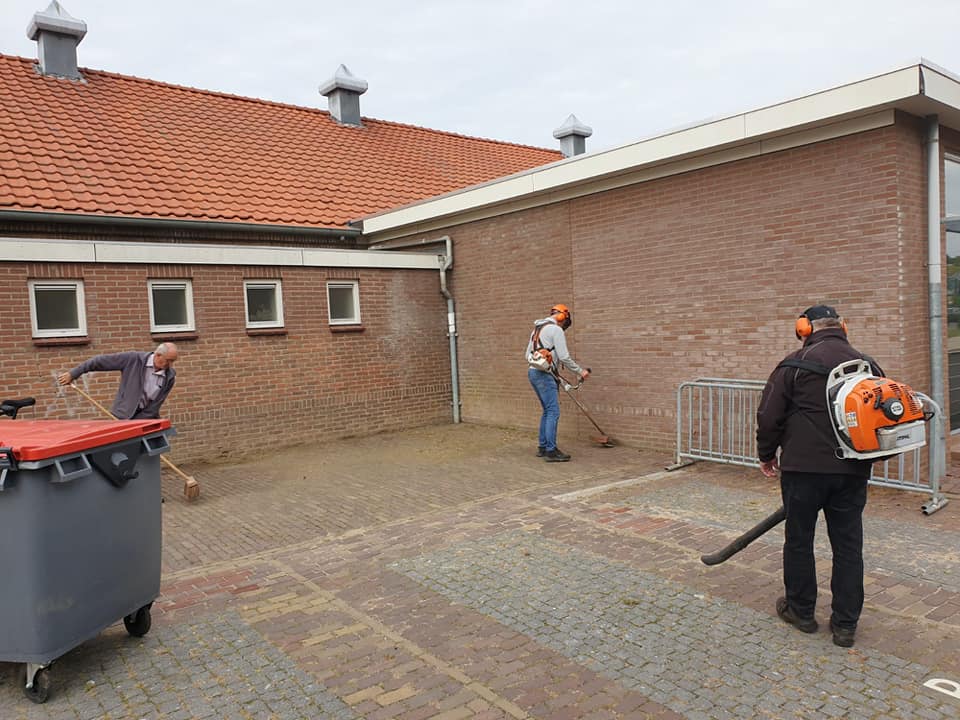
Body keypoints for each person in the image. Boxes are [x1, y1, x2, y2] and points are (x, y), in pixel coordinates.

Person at [756, 305, 883, 648]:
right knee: (848, 546)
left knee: (799, 540)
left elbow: (769, 417)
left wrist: (766, 454)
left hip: (802, 470)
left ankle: (801, 611)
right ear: (843, 326)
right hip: (852, 470)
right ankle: (845, 625)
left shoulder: (792, 365)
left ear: (803, 328)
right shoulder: (867, 365)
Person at [525, 304, 590, 462]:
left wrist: (542, 359)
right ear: (562, 318)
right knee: (553, 412)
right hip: (544, 376)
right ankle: (551, 451)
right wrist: (580, 371)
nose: (564, 326)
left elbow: (527, 355)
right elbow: (564, 357)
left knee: (547, 410)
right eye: (565, 323)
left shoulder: (537, 329)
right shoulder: (556, 330)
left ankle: (543, 446)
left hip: (533, 372)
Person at [57, 342, 179, 419]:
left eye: (173, 361)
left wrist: (139, 422)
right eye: (168, 360)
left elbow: (156, 404)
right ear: (158, 355)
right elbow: (99, 361)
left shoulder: (170, 376)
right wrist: (73, 373)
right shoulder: (133, 359)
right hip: (123, 416)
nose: (170, 364)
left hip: (146, 419)